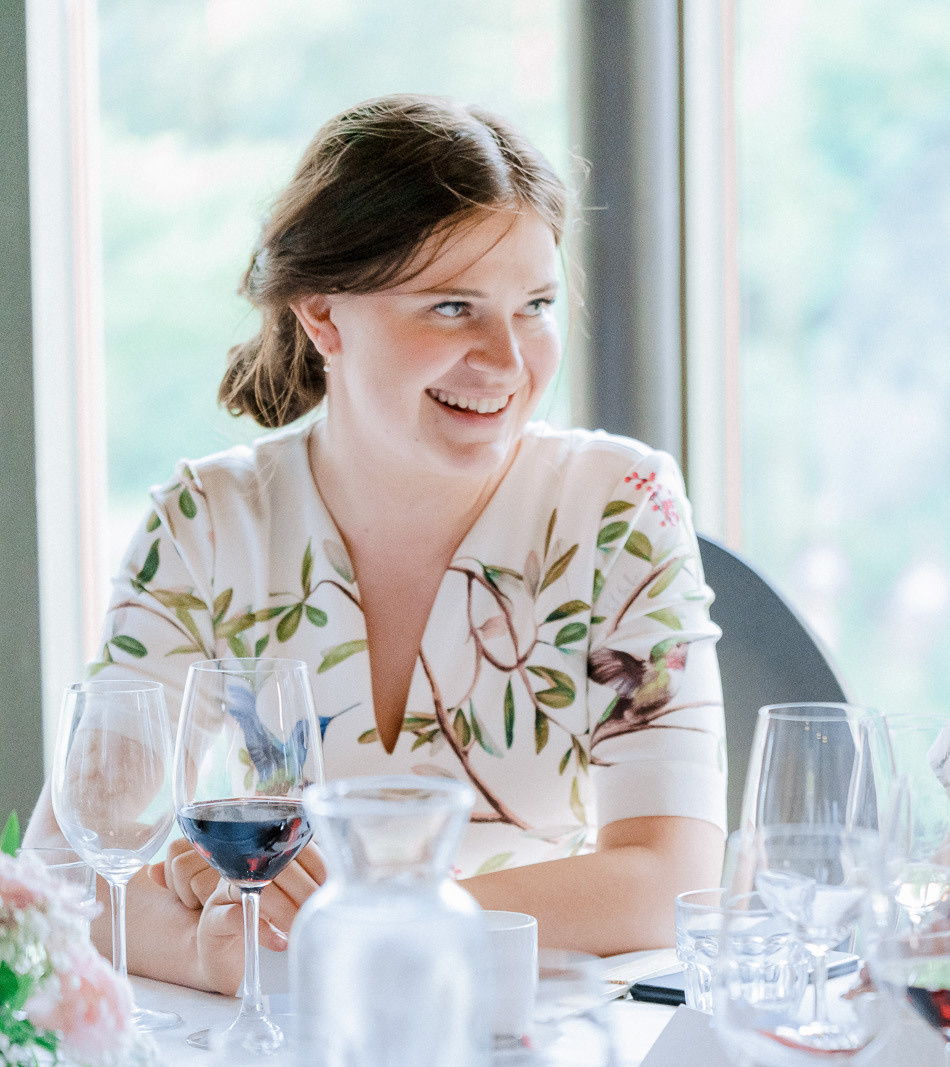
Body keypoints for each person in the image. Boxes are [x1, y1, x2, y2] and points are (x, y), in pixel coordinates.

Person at [34, 96, 725, 992]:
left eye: (536, 306)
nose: (508, 362)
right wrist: (224, 949)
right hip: (292, 1051)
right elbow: (67, 872)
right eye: (451, 307)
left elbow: (669, 876)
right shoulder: (208, 521)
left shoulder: (620, 505)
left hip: (531, 1035)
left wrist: (360, 923)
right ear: (323, 317)